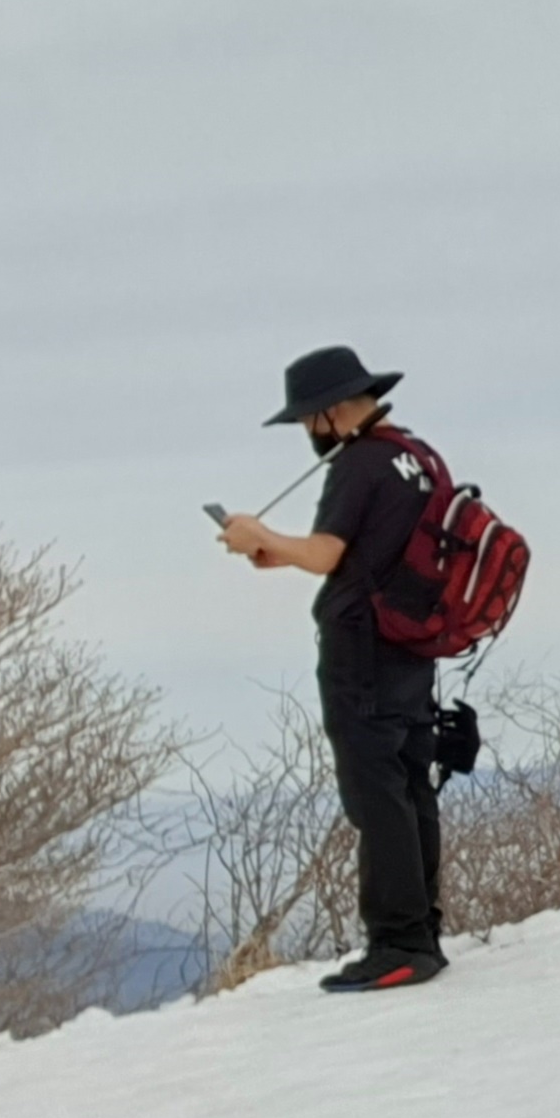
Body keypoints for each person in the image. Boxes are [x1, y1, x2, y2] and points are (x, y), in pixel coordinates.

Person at [219, 346, 448, 991]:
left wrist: (259, 535)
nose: (307, 432)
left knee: (374, 792)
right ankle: (422, 932)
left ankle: (397, 943)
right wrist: (281, 552)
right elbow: (368, 553)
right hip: (412, 644)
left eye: (306, 420)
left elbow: (326, 554)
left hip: (363, 648)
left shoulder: (359, 462)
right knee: (410, 782)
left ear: (331, 411)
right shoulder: (419, 458)